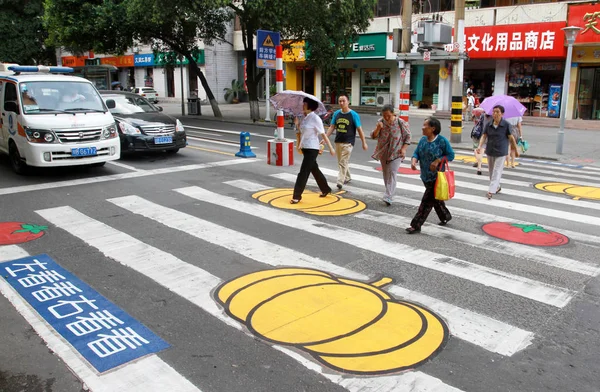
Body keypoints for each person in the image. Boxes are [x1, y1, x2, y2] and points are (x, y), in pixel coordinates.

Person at [406, 117, 455, 234]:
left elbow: (451, 155)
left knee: (426, 202)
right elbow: (417, 152)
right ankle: (445, 216)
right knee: (435, 199)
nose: (422, 128)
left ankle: (416, 224)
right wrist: (414, 160)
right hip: (425, 176)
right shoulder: (423, 140)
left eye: (425, 125)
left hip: (437, 177)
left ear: (433, 128)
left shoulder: (442, 141)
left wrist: (438, 161)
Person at [291, 97, 336, 204]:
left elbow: (323, 134)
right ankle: (325, 189)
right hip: (305, 148)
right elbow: (302, 133)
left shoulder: (315, 118)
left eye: (305, 103)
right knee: (314, 170)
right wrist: (297, 124)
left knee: (303, 172)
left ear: (310, 106)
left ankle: (297, 196)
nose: (302, 105)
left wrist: (331, 148)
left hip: (312, 149)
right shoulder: (304, 118)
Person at [370, 104, 411, 206]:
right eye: (384, 115)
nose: (386, 118)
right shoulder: (380, 122)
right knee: (386, 173)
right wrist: (378, 128)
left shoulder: (400, 122)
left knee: (392, 172)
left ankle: (388, 196)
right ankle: (389, 192)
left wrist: (404, 149)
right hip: (383, 151)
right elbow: (373, 136)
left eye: (388, 115)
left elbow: (408, 136)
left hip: (396, 152)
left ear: (393, 113)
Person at [476, 105, 519, 199]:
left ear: (502, 114)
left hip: (501, 151)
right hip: (490, 150)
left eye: (497, 112)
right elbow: (484, 136)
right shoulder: (489, 124)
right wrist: (479, 146)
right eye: (494, 112)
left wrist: (516, 150)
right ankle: (497, 187)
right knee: (491, 172)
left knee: (497, 171)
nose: (495, 114)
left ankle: (491, 191)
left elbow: (511, 138)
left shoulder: (506, 124)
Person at [326, 93, 368, 190]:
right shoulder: (336, 114)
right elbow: (332, 127)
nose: (341, 103)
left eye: (343, 101)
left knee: (343, 162)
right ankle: (347, 176)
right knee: (342, 162)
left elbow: (359, 129)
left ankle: (340, 181)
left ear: (348, 102)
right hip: (338, 141)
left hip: (348, 142)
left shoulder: (354, 115)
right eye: (340, 101)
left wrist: (364, 142)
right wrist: (325, 139)